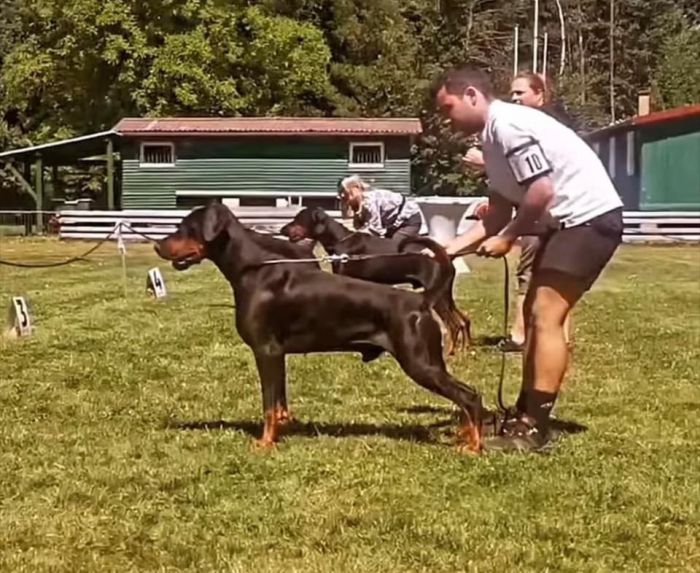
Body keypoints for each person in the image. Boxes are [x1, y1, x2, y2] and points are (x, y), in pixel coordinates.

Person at [434, 66, 623, 452]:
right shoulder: (491, 139)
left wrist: (508, 238)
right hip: (566, 224)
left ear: (472, 95)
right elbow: (498, 214)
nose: (445, 119)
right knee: (536, 316)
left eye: (448, 108)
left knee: (545, 314)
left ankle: (535, 426)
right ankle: (525, 413)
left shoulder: (509, 126)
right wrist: (446, 250)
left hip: (588, 220)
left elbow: (541, 191)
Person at [463, 72, 579, 352]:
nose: (514, 98)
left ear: (540, 95)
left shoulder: (533, 126)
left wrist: (486, 162)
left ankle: (524, 335)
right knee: (538, 274)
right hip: (537, 214)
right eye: (512, 93)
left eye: (520, 92)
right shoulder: (523, 124)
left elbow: (540, 175)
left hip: (546, 214)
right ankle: (544, 335)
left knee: (542, 274)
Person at [338, 175, 423, 240]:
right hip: (393, 224)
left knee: (393, 247)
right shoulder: (359, 204)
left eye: (345, 192)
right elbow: (360, 226)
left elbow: (374, 230)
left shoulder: (369, 201)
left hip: (409, 219)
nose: (342, 195)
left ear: (354, 190)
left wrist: (354, 239)